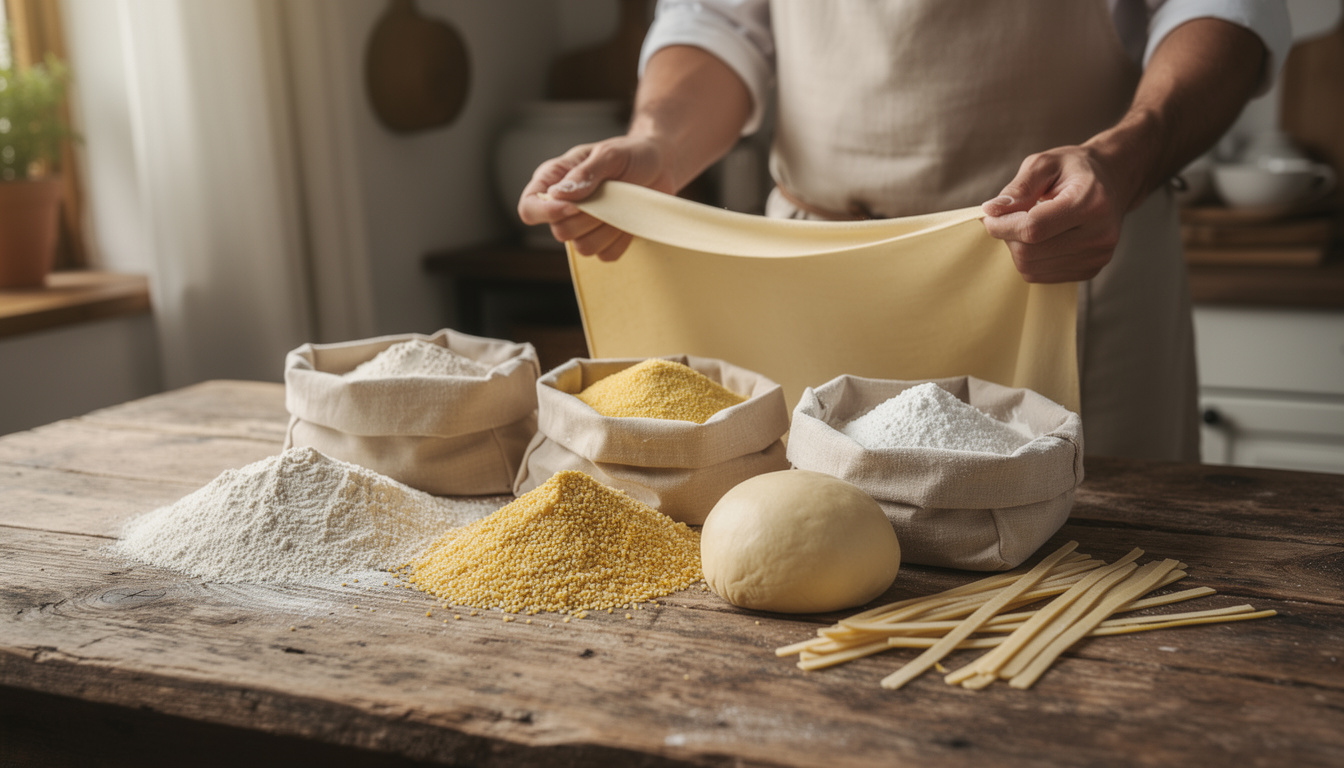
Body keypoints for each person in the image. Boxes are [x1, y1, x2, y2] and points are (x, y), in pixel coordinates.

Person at [517, 0, 1292, 462]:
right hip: (812, 281)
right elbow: (715, 21)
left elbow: (1222, 10)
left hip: (1068, 257)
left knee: (1102, 597)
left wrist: (1124, 158)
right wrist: (659, 143)